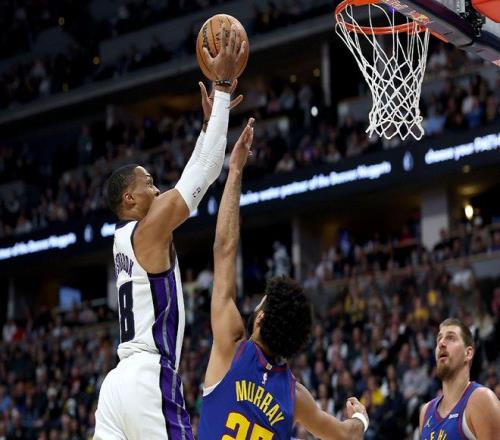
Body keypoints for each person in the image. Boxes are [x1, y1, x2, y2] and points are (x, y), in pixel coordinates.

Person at [94, 24, 246, 440]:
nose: (157, 189)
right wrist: (222, 88)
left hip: (115, 387)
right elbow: (206, 171)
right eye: (148, 183)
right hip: (147, 377)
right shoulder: (147, 229)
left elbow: (193, 170)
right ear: (129, 198)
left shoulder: (123, 238)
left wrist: (208, 126)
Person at [198, 118, 369, 439]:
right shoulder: (294, 394)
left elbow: (224, 248)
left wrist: (235, 172)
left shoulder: (231, 347)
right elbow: (348, 436)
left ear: (261, 318)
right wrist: (360, 417)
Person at [419, 318, 500, 440]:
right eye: (439, 339)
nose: (441, 343)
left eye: (450, 338)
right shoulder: (425, 412)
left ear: (468, 353)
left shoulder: (481, 400)